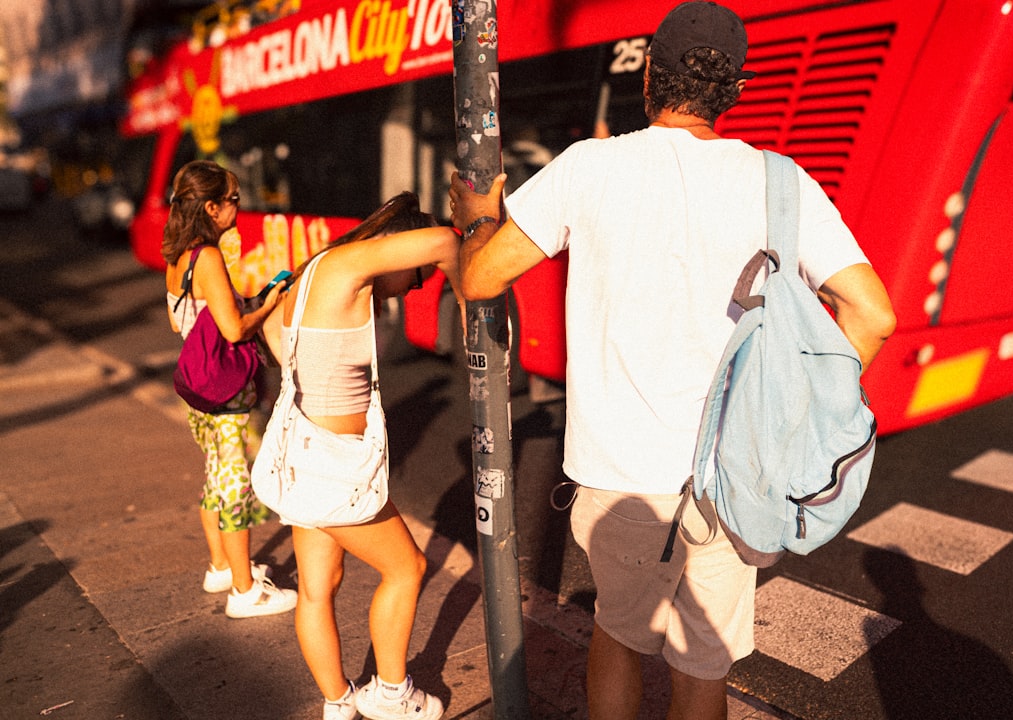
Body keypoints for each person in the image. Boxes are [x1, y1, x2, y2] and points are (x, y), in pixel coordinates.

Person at [449, 3, 897, 719]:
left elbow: (478, 279)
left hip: (622, 477)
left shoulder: (590, 167)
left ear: (649, 72)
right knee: (701, 668)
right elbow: (875, 314)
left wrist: (474, 216)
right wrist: (801, 417)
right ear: (737, 90)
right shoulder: (784, 183)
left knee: (620, 640)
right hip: (735, 479)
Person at [260, 192, 458, 720]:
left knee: (317, 588)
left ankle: (338, 703)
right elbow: (443, 240)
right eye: (415, 278)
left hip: (301, 455)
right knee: (408, 568)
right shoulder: (348, 263)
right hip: (333, 465)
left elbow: (267, 329)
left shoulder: (315, 273)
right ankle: (392, 695)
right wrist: (467, 295)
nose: (413, 288)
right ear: (396, 250)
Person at [162, 159, 298, 618]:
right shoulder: (209, 257)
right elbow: (236, 330)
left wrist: (247, 303)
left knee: (214, 475)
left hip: (198, 390)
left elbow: (182, 320)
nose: (239, 207)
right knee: (235, 483)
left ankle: (221, 565)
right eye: (235, 199)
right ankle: (245, 591)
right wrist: (268, 306)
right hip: (226, 393)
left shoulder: (178, 258)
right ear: (213, 207)